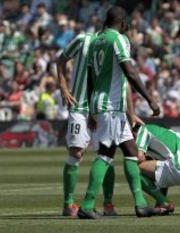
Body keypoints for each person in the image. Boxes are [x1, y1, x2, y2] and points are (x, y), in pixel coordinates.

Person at [78, 6, 160, 219]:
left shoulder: (95, 41)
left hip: (102, 104)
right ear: (123, 23)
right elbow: (129, 70)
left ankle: (141, 204)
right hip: (111, 106)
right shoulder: (119, 39)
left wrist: (90, 109)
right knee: (106, 154)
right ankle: (87, 205)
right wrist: (150, 98)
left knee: (132, 152)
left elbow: (89, 76)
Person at [56, 31, 118, 217]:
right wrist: (63, 86)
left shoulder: (115, 45)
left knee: (106, 154)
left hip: (101, 108)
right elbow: (61, 60)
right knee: (76, 153)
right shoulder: (83, 39)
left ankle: (108, 203)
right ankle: (68, 204)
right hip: (79, 106)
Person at [134, 124, 180, 215]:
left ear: (134, 132)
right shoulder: (165, 133)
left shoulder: (143, 129)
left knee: (134, 169)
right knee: (164, 166)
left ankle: (164, 203)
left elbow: (139, 157)